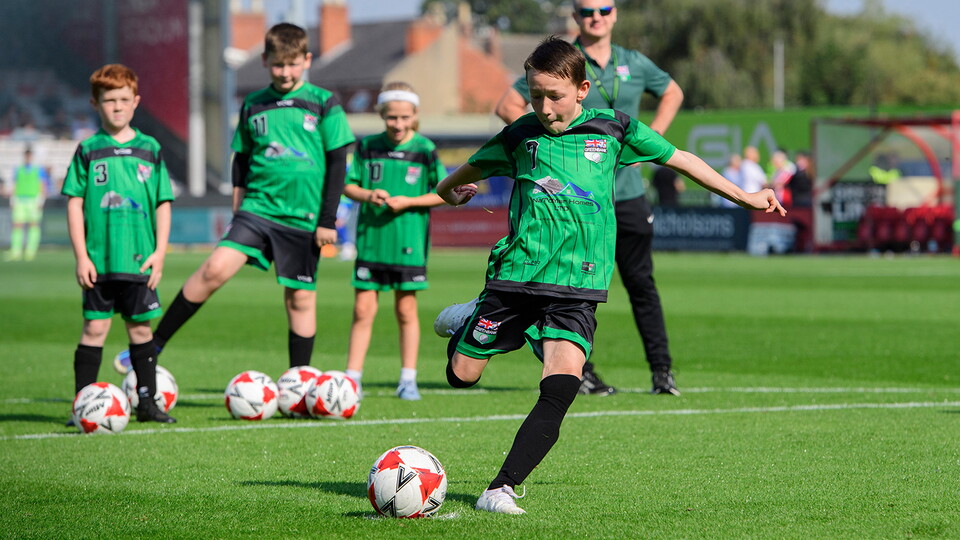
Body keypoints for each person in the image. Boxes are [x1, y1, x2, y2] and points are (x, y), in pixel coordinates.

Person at [434, 36, 785, 514]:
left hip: (577, 288)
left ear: (581, 90)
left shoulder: (613, 130)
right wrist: (453, 191)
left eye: (553, 95)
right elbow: (451, 180)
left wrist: (743, 196)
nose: (543, 106)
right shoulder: (519, 137)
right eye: (535, 95)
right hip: (515, 279)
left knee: (562, 382)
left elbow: (680, 158)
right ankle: (470, 317)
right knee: (462, 375)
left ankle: (501, 487)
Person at [113, 23, 354, 374]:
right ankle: (151, 348)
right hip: (256, 210)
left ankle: (297, 380)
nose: (284, 72)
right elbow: (241, 161)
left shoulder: (324, 103)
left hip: (304, 217)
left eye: (291, 64)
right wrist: (237, 210)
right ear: (264, 61)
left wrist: (327, 220)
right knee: (213, 269)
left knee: (300, 298)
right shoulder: (253, 105)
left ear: (306, 60)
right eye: (277, 65)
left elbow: (337, 164)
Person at [494, 0, 685, 396]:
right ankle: (581, 374)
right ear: (575, 17)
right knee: (555, 287)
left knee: (641, 284)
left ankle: (662, 372)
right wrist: (550, 152)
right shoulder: (563, 61)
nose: (595, 17)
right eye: (586, 11)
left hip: (627, 194)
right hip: (568, 201)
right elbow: (507, 105)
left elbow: (673, 92)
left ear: (614, 14)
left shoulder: (633, 61)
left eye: (603, 9)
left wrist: (649, 145)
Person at [61, 64, 175, 424]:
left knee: (141, 329)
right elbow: (74, 202)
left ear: (136, 101)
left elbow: (163, 202)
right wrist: (81, 256)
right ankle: (82, 405)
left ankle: (147, 403)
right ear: (96, 103)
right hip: (99, 260)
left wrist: (159, 253)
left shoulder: (150, 148)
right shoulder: (89, 149)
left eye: (124, 99)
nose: (117, 107)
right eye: (109, 100)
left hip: (140, 260)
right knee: (95, 328)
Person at [341, 82, 447, 401]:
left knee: (406, 309)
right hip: (372, 240)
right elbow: (349, 185)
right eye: (391, 118)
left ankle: (408, 379)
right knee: (362, 309)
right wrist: (368, 194)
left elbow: (442, 192)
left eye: (404, 117)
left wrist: (409, 202)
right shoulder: (367, 146)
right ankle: (352, 379)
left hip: (409, 242)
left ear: (415, 115)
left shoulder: (425, 150)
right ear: (381, 115)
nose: (398, 124)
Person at [5, 146, 50, 261]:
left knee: (33, 225)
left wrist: (41, 199)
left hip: (33, 200)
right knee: (17, 225)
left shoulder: (38, 169)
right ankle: (16, 251)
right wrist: (13, 198)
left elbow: (43, 185)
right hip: (20, 199)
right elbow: (14, 184)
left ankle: (31, 251)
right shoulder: (18, 169)